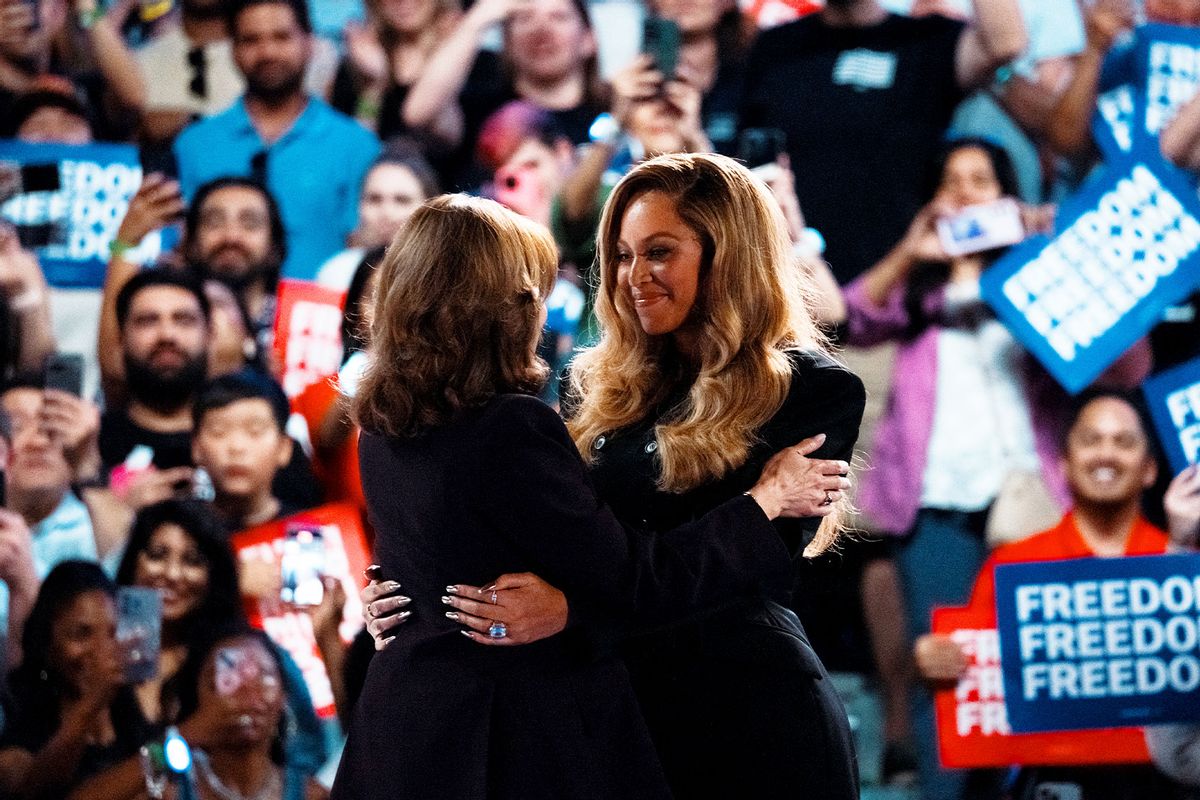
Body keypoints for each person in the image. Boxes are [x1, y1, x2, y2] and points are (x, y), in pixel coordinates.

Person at [357, 154, 864, 799]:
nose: (634, 277)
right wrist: (416, 590)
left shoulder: (812, 391)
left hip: (742, 712)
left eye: (659, 252)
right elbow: (536, 531)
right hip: (605, 723)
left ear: (727, 257)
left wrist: (573, 616)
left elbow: (754, 572)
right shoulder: (591, 387)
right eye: (621, 255)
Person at [912, 390, 1181, 800]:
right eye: (1091, 440)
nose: (1106, 455)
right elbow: (976, 672)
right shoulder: (1013, 566)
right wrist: (939, 662)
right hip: (1048, 782)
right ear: (1065, 465)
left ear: (1149, 469)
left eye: (1123, 442)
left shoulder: (1180, 566)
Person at [739, 0, 1027, 284]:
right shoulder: (775, 46)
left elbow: (1006, 43)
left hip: (894, 292)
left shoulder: (928, 41)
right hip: (794, 281)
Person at [172, 0, 381, 280]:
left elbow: (363, 253)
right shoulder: (194, 144)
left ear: (309, 43)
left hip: (321, 316)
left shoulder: (357, 146)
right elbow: (181, 246)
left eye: (281, 37)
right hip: (216, 315)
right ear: (232, 49)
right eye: (251, 40)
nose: (267, 52)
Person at [400, 0, 607, 188]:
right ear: (506, 41)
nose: (541, 29)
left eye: (559, 17)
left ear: (589, 39)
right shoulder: (480, 109)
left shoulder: (614, 112)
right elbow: (418, 113)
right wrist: (477, 20)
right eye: (525, 18)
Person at [0, 561, 149, 799]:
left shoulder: (133, 721)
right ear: (48, 645)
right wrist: (92, 703)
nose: (101, 650)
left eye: (112, 634)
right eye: (81, 634)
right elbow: (28, 787)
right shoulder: (23, 735)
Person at [314, 147, 439, 292]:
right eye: (374, 199)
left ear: (430, 208)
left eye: (402, 200)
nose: (387, 213)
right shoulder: (337, 273)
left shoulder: (446, 276)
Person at [330, 0, 459, 136]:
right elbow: (356, 148)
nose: (403, 2)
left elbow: (449, 140)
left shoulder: (471, 59)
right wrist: (372, 88)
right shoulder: (356, 66)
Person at [191, 370, 296, 531]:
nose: (236, 447)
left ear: (284, 448)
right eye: (219, 431)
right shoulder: (181, 534)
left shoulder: (308, 534)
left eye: (255, 431)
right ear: (196, 447)